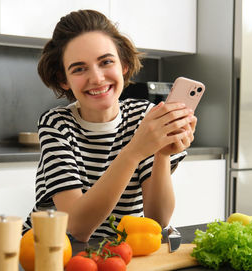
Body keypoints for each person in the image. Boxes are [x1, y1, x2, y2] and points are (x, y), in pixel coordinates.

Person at [22, 9, 197, 242]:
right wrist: (135, 151)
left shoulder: (143, 117)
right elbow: (76, 227)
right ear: (64, 80)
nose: (96, 78)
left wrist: (162, 155)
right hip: (49, 251)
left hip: (113, 254)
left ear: (124, 65)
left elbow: (157, 220)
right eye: (79, 68)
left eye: (106, 62)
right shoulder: (56, 125)